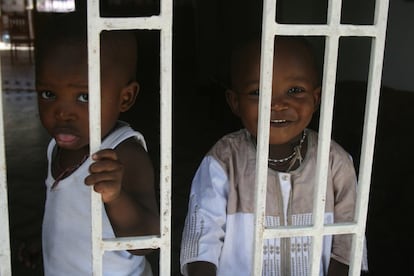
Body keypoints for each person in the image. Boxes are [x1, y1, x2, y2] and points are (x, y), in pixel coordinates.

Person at [180, 36, 366, 276]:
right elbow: (201, 238)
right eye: (258, 92)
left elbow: (348, 243)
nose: (277, 104)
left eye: (295, 90)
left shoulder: (334, 162)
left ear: (315, 98)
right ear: (235, 102)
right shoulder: (224, 160)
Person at [19, 11, 159, 275]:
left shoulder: (125, 152)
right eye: (48, 94)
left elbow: (147, 240)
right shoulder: (55, 148)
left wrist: (116, 198)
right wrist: (46, 244)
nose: (62, 112)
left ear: (125, 98)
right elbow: (66, 215)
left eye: (83, 97)